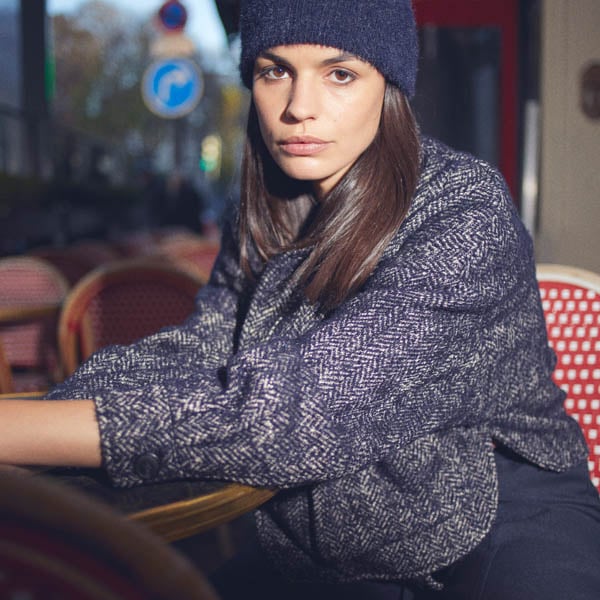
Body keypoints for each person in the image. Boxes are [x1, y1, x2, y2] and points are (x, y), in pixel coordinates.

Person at [2, 0, 600, 598]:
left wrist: (25, 432)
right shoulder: (266, 207)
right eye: (275, 71)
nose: (298, 107)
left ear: (389, 86)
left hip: (502, 503)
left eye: (339, 73)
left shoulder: (464, 209)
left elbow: (302, 412)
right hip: (344, 519)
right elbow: (199, 352)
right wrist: (48, 414)